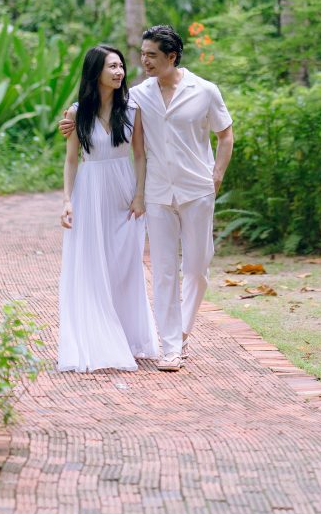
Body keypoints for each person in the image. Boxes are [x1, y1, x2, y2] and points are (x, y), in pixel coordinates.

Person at [60, 25, 234, 372]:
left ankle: (182, 330)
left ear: (172, 57)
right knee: (166, 270)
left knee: (197, 268)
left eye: (151, 55)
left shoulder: (205, 91)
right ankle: (171, 346)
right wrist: (69, 120)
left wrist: (216, 176)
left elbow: (225, 135)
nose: (143, 62)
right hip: (156, 193)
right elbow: (98, 108)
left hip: (197, 189)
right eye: (141, 55)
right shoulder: (139, 95)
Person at [58, 44, 159, 372]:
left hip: (124, 192)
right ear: (95, 72)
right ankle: (98, 340)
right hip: (90, 192)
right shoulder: (76, 113)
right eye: (111, 67)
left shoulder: (132, 109)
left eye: (120, 66)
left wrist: (140, 194)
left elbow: (141, 154)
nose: (119, 72)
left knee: (125, 266)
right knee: (92, 266)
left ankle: (129, 338)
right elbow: (71, 161)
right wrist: (67, 201)